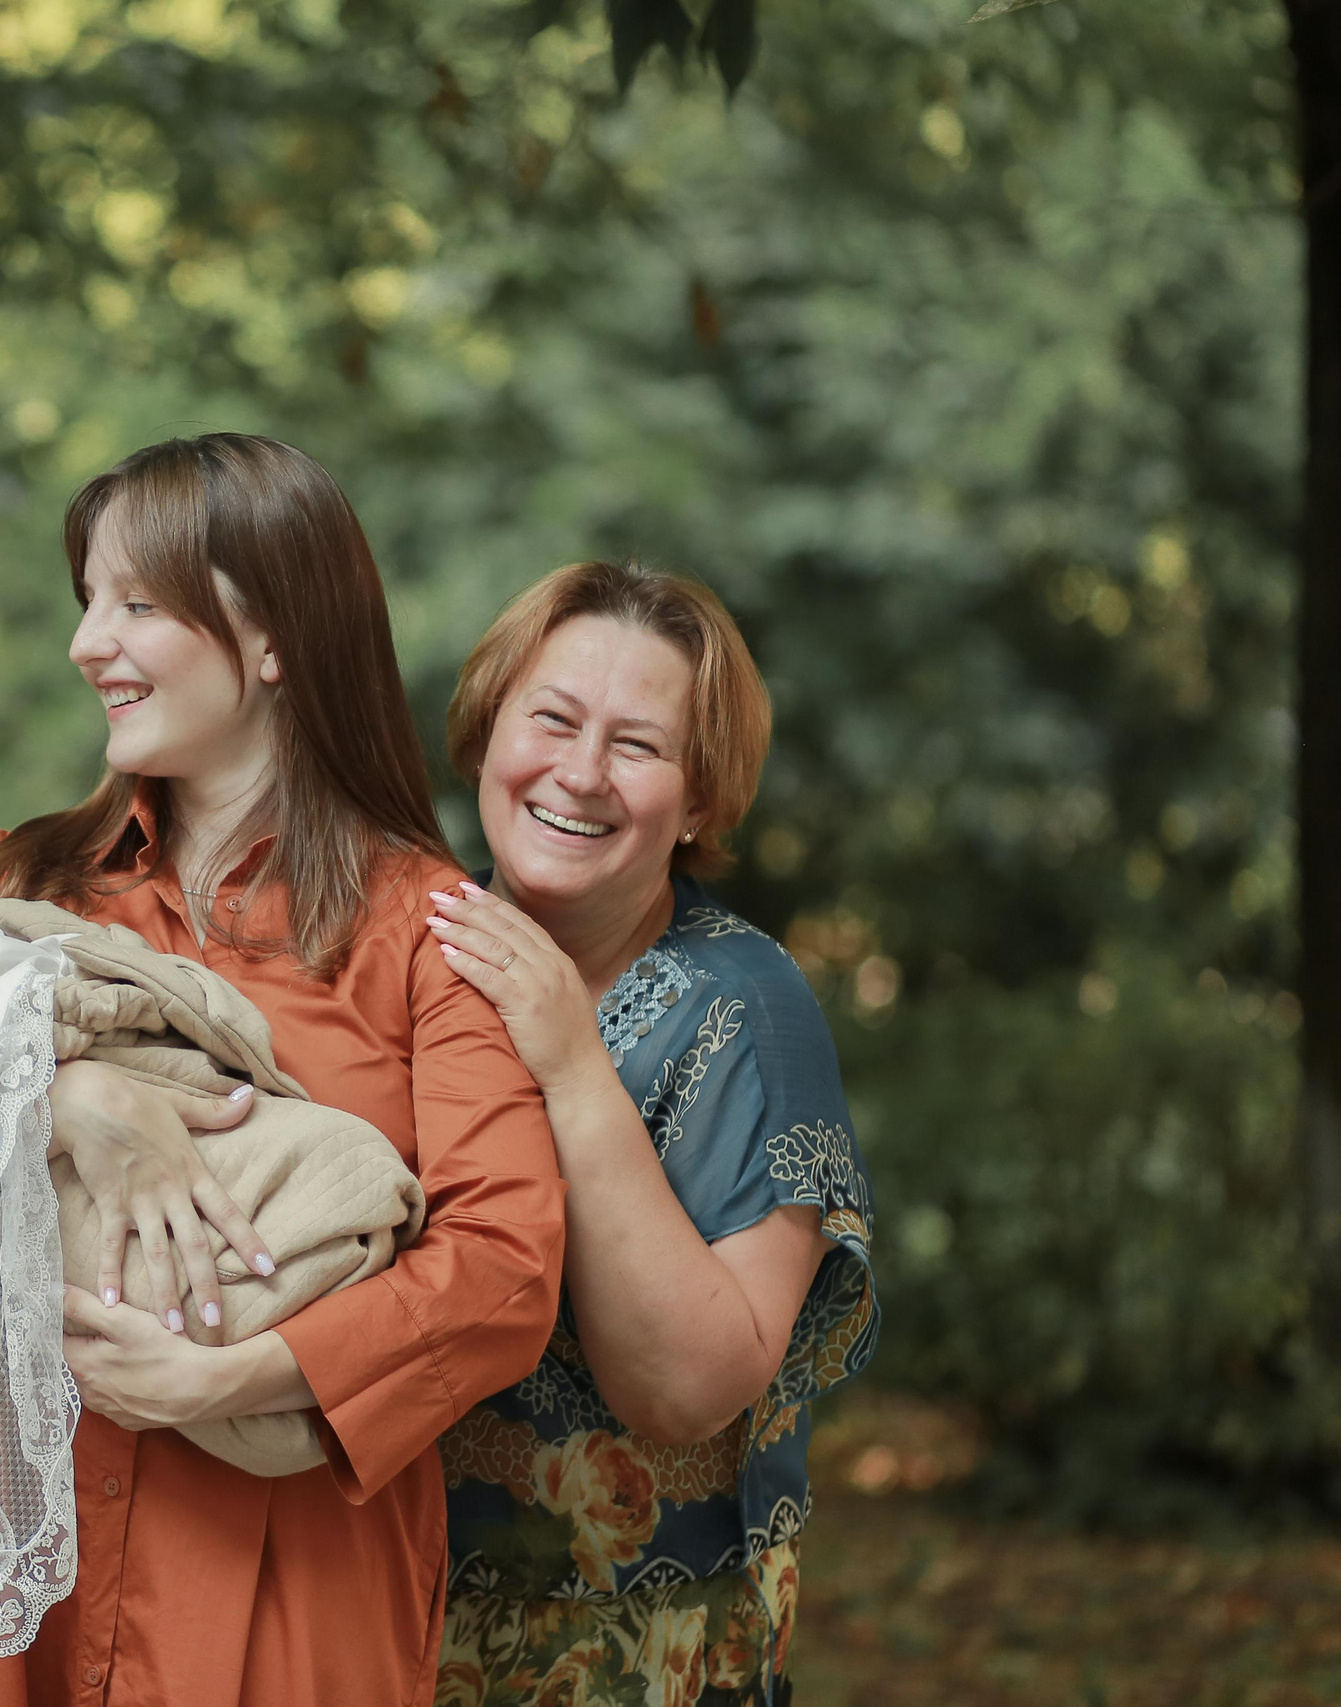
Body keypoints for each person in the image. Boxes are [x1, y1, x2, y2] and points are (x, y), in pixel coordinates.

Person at [0, 432, 569, 1705]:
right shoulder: (9, 886)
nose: (87, 644)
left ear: (272, 634)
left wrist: (231, 1379)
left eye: (136, 604)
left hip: (287, 1579)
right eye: (87, 602)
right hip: (13, 1558)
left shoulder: (424, 934)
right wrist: (66, 1097)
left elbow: (504, 1264)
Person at [423, 561, 878, 1706]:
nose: (579, 772)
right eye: (551, 719)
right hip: (383, 1615)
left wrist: (573, 1066)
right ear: (486, 733)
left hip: (628, 1651)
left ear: (701, 801)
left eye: (636, 745)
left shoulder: (749, 1008)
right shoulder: (402, 943)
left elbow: (687, 1388)